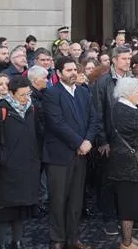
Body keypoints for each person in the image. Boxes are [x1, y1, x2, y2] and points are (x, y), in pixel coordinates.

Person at [43, 56, 100, 249]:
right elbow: (56, 123)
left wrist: (88, 141)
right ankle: (57, 239)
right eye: (68, 70)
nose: (73, 73)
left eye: (74, 70)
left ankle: (72, 238)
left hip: (81, 154)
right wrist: (79, 142)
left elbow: (94, 118)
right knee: (59, 199)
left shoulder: (84, 92)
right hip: (59, 155)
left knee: (76, 199)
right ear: (58, 73)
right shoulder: (52, 93)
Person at [0, 76, 41, 249]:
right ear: (11, 93)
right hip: (6, 167)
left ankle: (17, 241)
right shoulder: (0, 110)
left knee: (21, 207)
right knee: (4, 208)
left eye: (28, 94)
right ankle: (2, 242)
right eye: (22, 95)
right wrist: (2, 158)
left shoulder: (31, 109)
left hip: (27, 164)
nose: (26, 98)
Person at [107, 77, 138, 249]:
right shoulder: (125, 110)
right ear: (128, 93)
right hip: (127, 166)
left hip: (129, 164)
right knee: (128, 205)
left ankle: (129, 238)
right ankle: (126, 243)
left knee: (133, 203)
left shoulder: (123, 107)